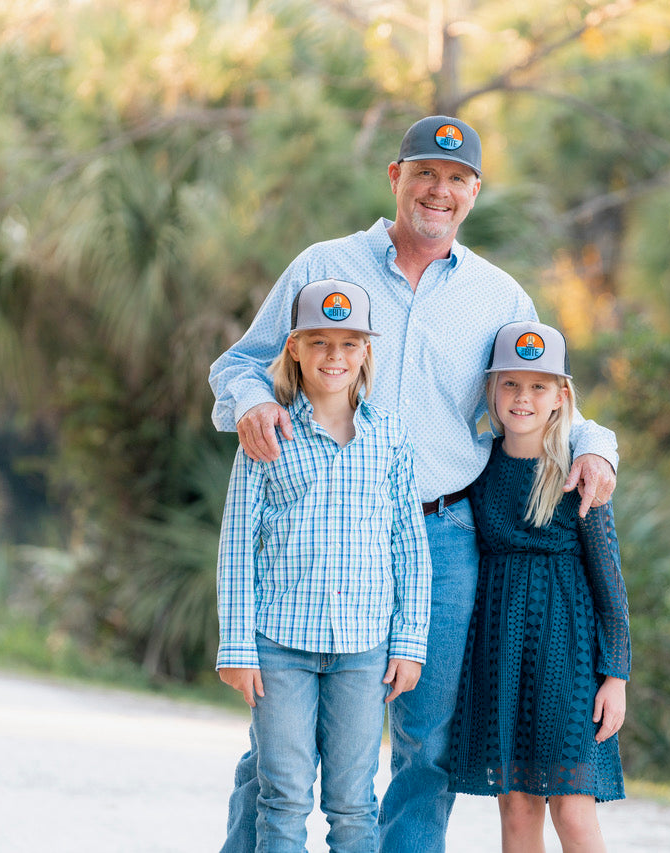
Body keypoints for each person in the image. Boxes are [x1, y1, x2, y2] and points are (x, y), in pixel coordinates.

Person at [209, 115, 619, 853]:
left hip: (442, 535)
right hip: (325, 529)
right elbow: (238, 364)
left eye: (457, 179)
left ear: (474, 193)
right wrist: (255, 400)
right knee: (285, 740)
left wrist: (599, 449)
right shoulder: (323, 266)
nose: (440, 189)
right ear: (397, 177)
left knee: (427, 737)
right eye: (426, 172)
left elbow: (547, 396)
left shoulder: (498, 296)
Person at [214, 278, 432, 852]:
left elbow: (409, 545)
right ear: (293, 348)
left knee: (354, 804)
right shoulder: (267, 435)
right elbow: (237, 545)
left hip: (364, 650)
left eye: (349, 344)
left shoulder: (390, 438)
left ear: (366, 352)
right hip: (279, 644)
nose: (334, 357)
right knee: (282, 797)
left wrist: (409, 642)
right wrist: (237, 648)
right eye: (319, 342)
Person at [449, 320, 631, 852]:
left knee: (572, 810)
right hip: (500, 654)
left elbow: (610, 583)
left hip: (568, 659)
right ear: (491, 390)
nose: (522, 398)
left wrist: (615, 674)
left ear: (561, 396)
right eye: (510, 384)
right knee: (516, 806)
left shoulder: (580, 474)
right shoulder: (475, 466)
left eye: (538, 386)